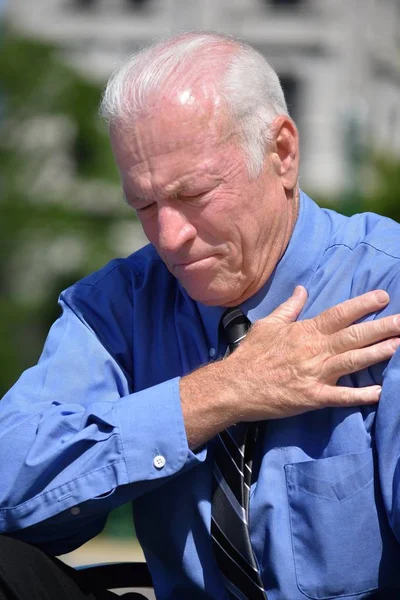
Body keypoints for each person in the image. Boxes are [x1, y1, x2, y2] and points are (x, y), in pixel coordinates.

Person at [1, 32, 400, 600]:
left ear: (281, 154)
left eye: (194, 194)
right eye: (143, 204)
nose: (170, 238)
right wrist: (216, 395)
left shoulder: (386, 284)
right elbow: (7, 479)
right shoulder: (117, 305)